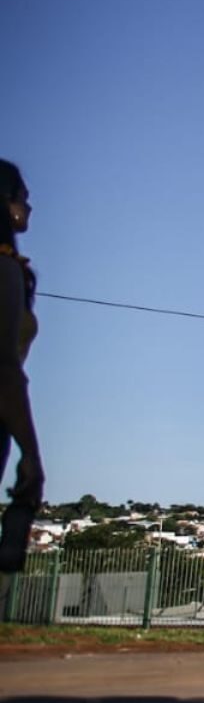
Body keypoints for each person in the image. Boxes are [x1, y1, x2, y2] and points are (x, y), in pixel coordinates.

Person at [0, 160, 44, 574]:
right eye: (23, 199)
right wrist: (30, 453)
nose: (28, 208)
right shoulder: (5, 268)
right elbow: (5, 370)